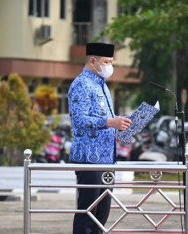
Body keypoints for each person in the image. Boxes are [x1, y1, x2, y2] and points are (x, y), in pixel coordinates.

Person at [68, 42, 132, 234]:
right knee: (87, 212)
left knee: (101, 215)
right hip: (89, 159)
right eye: (106, 61)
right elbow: (79, 120)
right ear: (93, 61)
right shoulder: (81, 84)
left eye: (111, 62)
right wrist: (110, 122)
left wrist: (122, 126)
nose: (109, 66)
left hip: (106, 159)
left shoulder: (102, 86)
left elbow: (106, 121)